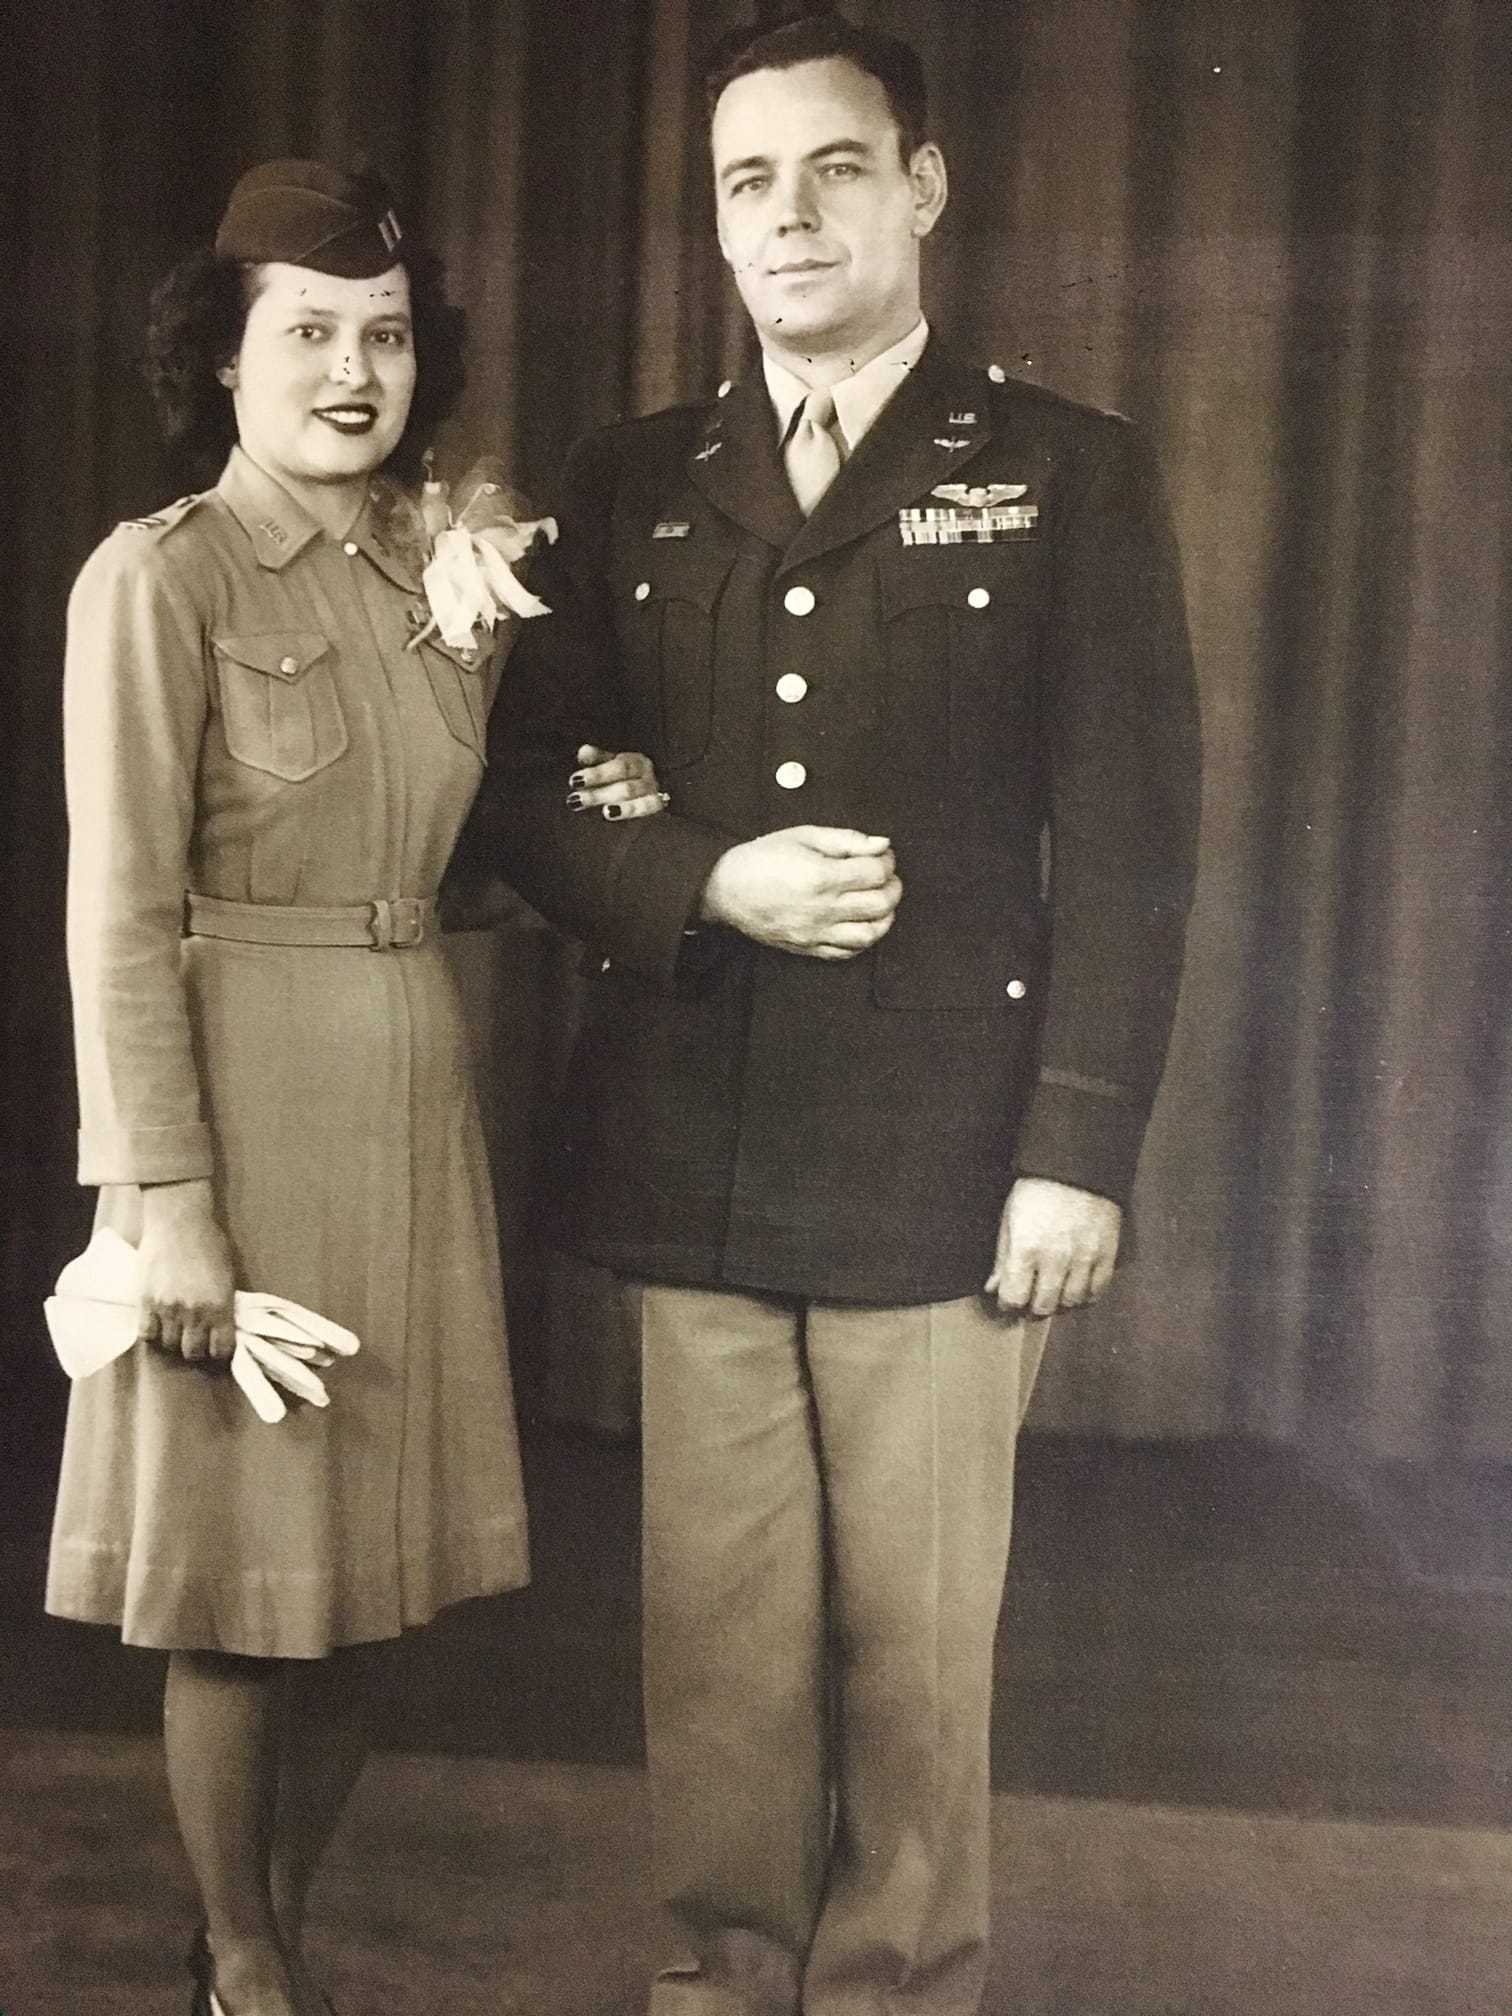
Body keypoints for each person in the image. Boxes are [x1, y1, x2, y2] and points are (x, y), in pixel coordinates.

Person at [482, 12, 1202, 2014]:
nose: (786, 219)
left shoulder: (1062, 473)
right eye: (744, 183)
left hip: (951, 1162)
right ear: (714, 221)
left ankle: (896, 1991)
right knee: (717, 1642)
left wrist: (1077, 1151)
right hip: (699, 1142)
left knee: (913, 1641)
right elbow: (522, 792)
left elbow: (1136, 848)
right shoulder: (632, 478)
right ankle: (721, 1985)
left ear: (923, 187)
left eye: (830, 170)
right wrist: (701, 877)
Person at [45, 159, 665, 2016]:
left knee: (371, 1592)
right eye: (305, 332)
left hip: (408, 1088)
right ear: (222, 360)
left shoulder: (439, 571)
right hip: (239, 1102)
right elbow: (118, 914)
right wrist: (166, 1203)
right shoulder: (161, 577)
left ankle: (269, 1931)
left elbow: (439, 845)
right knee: (247, 1594)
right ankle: (247, 1967)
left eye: (384, 335)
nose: (351, 370)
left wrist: (594, 814)